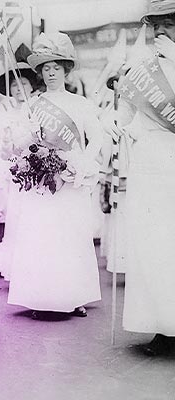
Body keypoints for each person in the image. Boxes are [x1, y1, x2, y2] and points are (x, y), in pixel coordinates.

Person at [6, 32, 103, 319]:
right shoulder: (31, 105)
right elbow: (19, 143)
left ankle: (75, 297)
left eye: (55, 68)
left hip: (70, 177)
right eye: (45, 68)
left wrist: (81, 164)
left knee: (70, 237)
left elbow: (94, 139)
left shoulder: (80, 104)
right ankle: (41, 297)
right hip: (41, 180)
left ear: (65, 70)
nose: (50, 73)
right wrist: (30, 137)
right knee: (42, 236)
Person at [113, 1, 175, 356]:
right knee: (153, 246)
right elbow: (129, 117)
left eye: (169, 24)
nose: (161, 32)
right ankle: (161, 326)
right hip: (150, 162)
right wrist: (118, 124)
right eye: (157, 26)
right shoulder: (141, 70)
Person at [0, 61, 42, 280]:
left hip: (39, 169)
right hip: (17, 171)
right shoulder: (5, 113)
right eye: (14, 85)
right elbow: (3, 149)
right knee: (17, 218)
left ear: (32, 85)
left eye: (23, 83)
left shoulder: (38, 107)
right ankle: (17, 271)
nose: (18, 89)